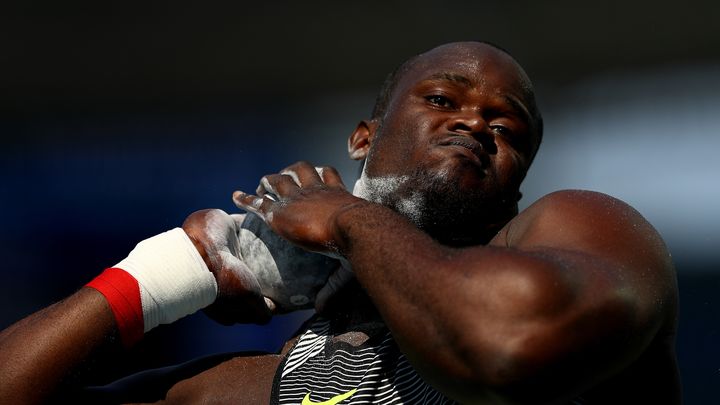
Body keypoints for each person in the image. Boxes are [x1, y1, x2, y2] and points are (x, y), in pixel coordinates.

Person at [0, 41, 681, 404]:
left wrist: (348, 220)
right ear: (363, 139)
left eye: (508, 127)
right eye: (443, 98)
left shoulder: (581, 227)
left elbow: (504, 344)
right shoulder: (255, 385)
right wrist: (172, 269)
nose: (475, 121)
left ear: (517, 184)